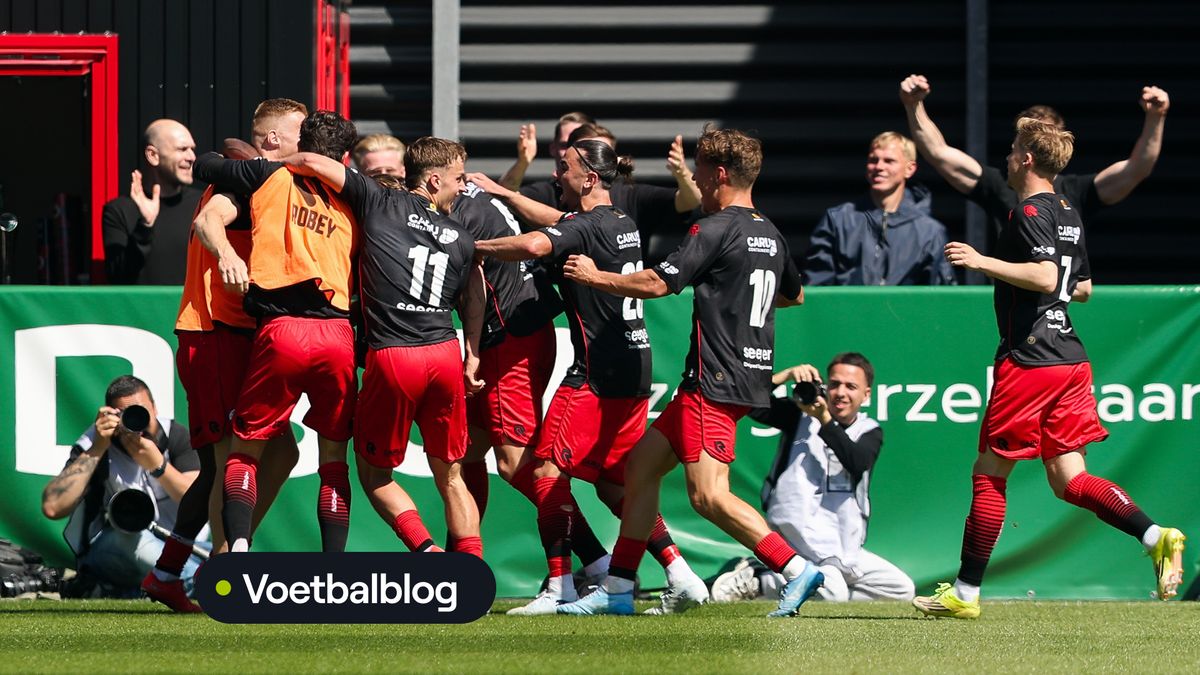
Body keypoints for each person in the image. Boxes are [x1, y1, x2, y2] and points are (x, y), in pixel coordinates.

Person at [913, 118, 1186, 619]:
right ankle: (1155, 534)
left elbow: (1043, 275)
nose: (1009, 157)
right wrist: (1042, 279)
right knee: (1068, 480)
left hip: (1031, 359)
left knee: (990, 474)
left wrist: (981, 260)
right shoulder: (1068, 213)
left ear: (1029, 159)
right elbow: (1080, 288)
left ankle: (966, 593)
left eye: (1014, 149)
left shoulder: (1029, 211)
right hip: (1071, 360)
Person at [554, 126, 820, 618]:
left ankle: (794, 569)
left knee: (708, 496)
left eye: (698, 169)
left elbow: (657, 284)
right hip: (738, 376)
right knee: (640, 469)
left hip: (716, 379)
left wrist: (595, 276)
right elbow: (794, 295)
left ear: (719, 174)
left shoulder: (713, 228)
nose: (694, 179)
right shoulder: (768, 229)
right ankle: (617, 588)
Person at [472, 139, 708, 615]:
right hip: (636, 366)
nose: (558, 174)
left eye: (565, 168)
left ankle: (560, 586)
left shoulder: (581, 226)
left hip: (596, 374)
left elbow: (538, 242)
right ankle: (680, 574)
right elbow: (556, 224)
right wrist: (506, 193)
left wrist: (472, 246)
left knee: (544, 471)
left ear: (589, 178)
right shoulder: (620, 220)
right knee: (616, 484)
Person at [141, 99, 308, 612]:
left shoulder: (271, 183)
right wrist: (229, 255)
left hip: (234, 335)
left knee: (264, 457)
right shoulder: (242, 179)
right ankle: (226, 573)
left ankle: (174, 573)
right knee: (238, 458)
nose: (311, 142)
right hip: (212, 333)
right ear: (274, 139)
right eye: (302, 132)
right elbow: (210, 222)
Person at [284, 136, 487, 558]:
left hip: (395, 355)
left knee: (375, 474)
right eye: (458, 179)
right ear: (433, 180)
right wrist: (473, 353)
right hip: (445, 352)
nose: (463, 187)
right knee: (451, 476)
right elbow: (476, 295)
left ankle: (428, 553)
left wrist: (265, 168)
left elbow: (308, 160)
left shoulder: (377, 202)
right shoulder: (462, 236)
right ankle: (472, 570)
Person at [192, 111, 360, 554]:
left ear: (302, 142)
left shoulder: (267, 176)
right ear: (343, 155)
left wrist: (228, 256)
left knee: (243, 452)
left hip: (281, 330)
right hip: (339, 333)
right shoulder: (357, 194)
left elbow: (209, 165)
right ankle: (334, 573)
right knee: (334, 463)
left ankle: (237, 554)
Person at [452, 177, 618, 586]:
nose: (388, 180)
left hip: (511, 339)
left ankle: (597, 563)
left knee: (516, 465)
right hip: (518, 330)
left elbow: (474, 275)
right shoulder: (475, 195)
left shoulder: (454, 206)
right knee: (466, 451)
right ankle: (461, 566)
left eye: (391, 171)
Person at [711, 354, 915, 603]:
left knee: (901, 589)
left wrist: (824, 419)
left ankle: (797, 586)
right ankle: (759, 579)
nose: (840, 393)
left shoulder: (869, 430)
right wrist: (785, 376)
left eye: (851, 387)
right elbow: (751, 405)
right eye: (835, 384)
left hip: (843, 542)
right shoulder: (799, 414)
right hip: (797, 536)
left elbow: (856, 462)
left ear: (867, 394)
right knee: (833, 593)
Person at [899, 74, 1169, 223]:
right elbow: (939, 153)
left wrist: (1156, 117)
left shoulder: (1078, 192)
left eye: (1047, 137)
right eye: (1029, 139)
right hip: (1010, 306)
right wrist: (914, 106)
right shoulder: (999, 184)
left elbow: (1136, 169)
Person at [41, 376, 202, 598]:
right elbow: (53, 507)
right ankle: (202, 584)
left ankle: (131, 592)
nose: (137, 424)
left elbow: (200, 502)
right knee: (135, 538)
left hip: (179, 546)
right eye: (127, 415)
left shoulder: (175, 436)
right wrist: (97, 449)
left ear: (154, 408)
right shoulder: (95, 443)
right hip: (113, 549)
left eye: (142, 412)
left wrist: (159, 467)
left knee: (213, 553)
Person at [803, 132, 956, 286]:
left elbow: (939, 297)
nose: (879, 167)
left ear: (909, 169)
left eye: (889, 161)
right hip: (848, 310)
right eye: (873, 160)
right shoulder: (837, 220)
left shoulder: (930, 232)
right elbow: (817, 285)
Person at [102, 119, 202, 284]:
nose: (192, 157)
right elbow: (116, 277)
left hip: (191, 311)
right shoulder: (119, 210)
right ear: (153, 155)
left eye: (192, 149)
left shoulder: (203, 204)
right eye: (182, 149)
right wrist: (145, 227)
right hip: (142, 310)